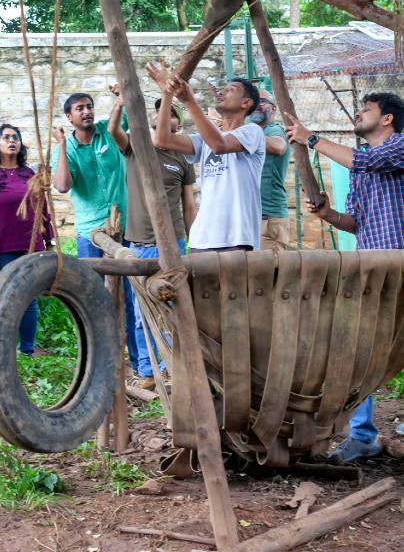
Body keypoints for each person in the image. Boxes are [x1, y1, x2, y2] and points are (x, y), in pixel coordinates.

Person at [286, 92, 404, 462]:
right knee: (359, 351)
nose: (357, 113)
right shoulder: (361, 168)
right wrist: (328, 214)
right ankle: (363, 435)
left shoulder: (398, 146)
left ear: (387, 119)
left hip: (401, 263)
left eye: (365, 109)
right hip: (369, 266)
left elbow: (365, 160)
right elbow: (355, 222)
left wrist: (312, 138)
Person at [108, 82, 196, 389]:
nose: (163, 116)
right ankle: (146, 371)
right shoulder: (136, 145)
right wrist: (120, 102)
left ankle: (169, 366)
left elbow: (189, 205)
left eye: (169, 113)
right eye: (158, 111)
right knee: (141, 310)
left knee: (174, 306)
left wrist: (190, 243)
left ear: (177, 124)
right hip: (142, 244)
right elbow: (113, 131)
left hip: (173, 245)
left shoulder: (184, 158)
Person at [52, 93, 139, 372]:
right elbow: (63, 186)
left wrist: (119, 99)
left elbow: (125, 115)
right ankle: (100, 363)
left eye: (89, 106)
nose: (86, 111)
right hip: (90, 232)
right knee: (92, 296)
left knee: (129, 293)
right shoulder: (64, 149)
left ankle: (138, 364)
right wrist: (63, 146)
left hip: (123, 225)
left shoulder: (106, 130)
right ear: (69, 117)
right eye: (79, 108)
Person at [149, 68, 265, 252]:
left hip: (237, 238)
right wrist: (167, 94)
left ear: (246, 103)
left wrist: (189, 101)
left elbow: (220, 145)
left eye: (231, 89)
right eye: (223, 89)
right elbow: (162, 140)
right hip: (201, 239)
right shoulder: (203, 139)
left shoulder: (252, 132)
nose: (221, 92)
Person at [0, 124, 54, 357]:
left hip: (31, 248)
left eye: (15, 137)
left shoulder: (29, 175)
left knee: (29, 299)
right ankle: (2, 350)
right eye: (6, 137)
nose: (11, 140)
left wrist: (50, 243)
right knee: (3, 298)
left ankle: (27, 350)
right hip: (1, 250)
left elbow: (43, 211)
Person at [249, 89, 292, 250]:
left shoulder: (274, 130)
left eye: (261, 101)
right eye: (252, 101)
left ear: (273, 108)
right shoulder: (251, 130)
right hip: (249, 217)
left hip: (268, 219)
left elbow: (279, 146)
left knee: (271, 272)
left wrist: (240, 131)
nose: (255, 105)